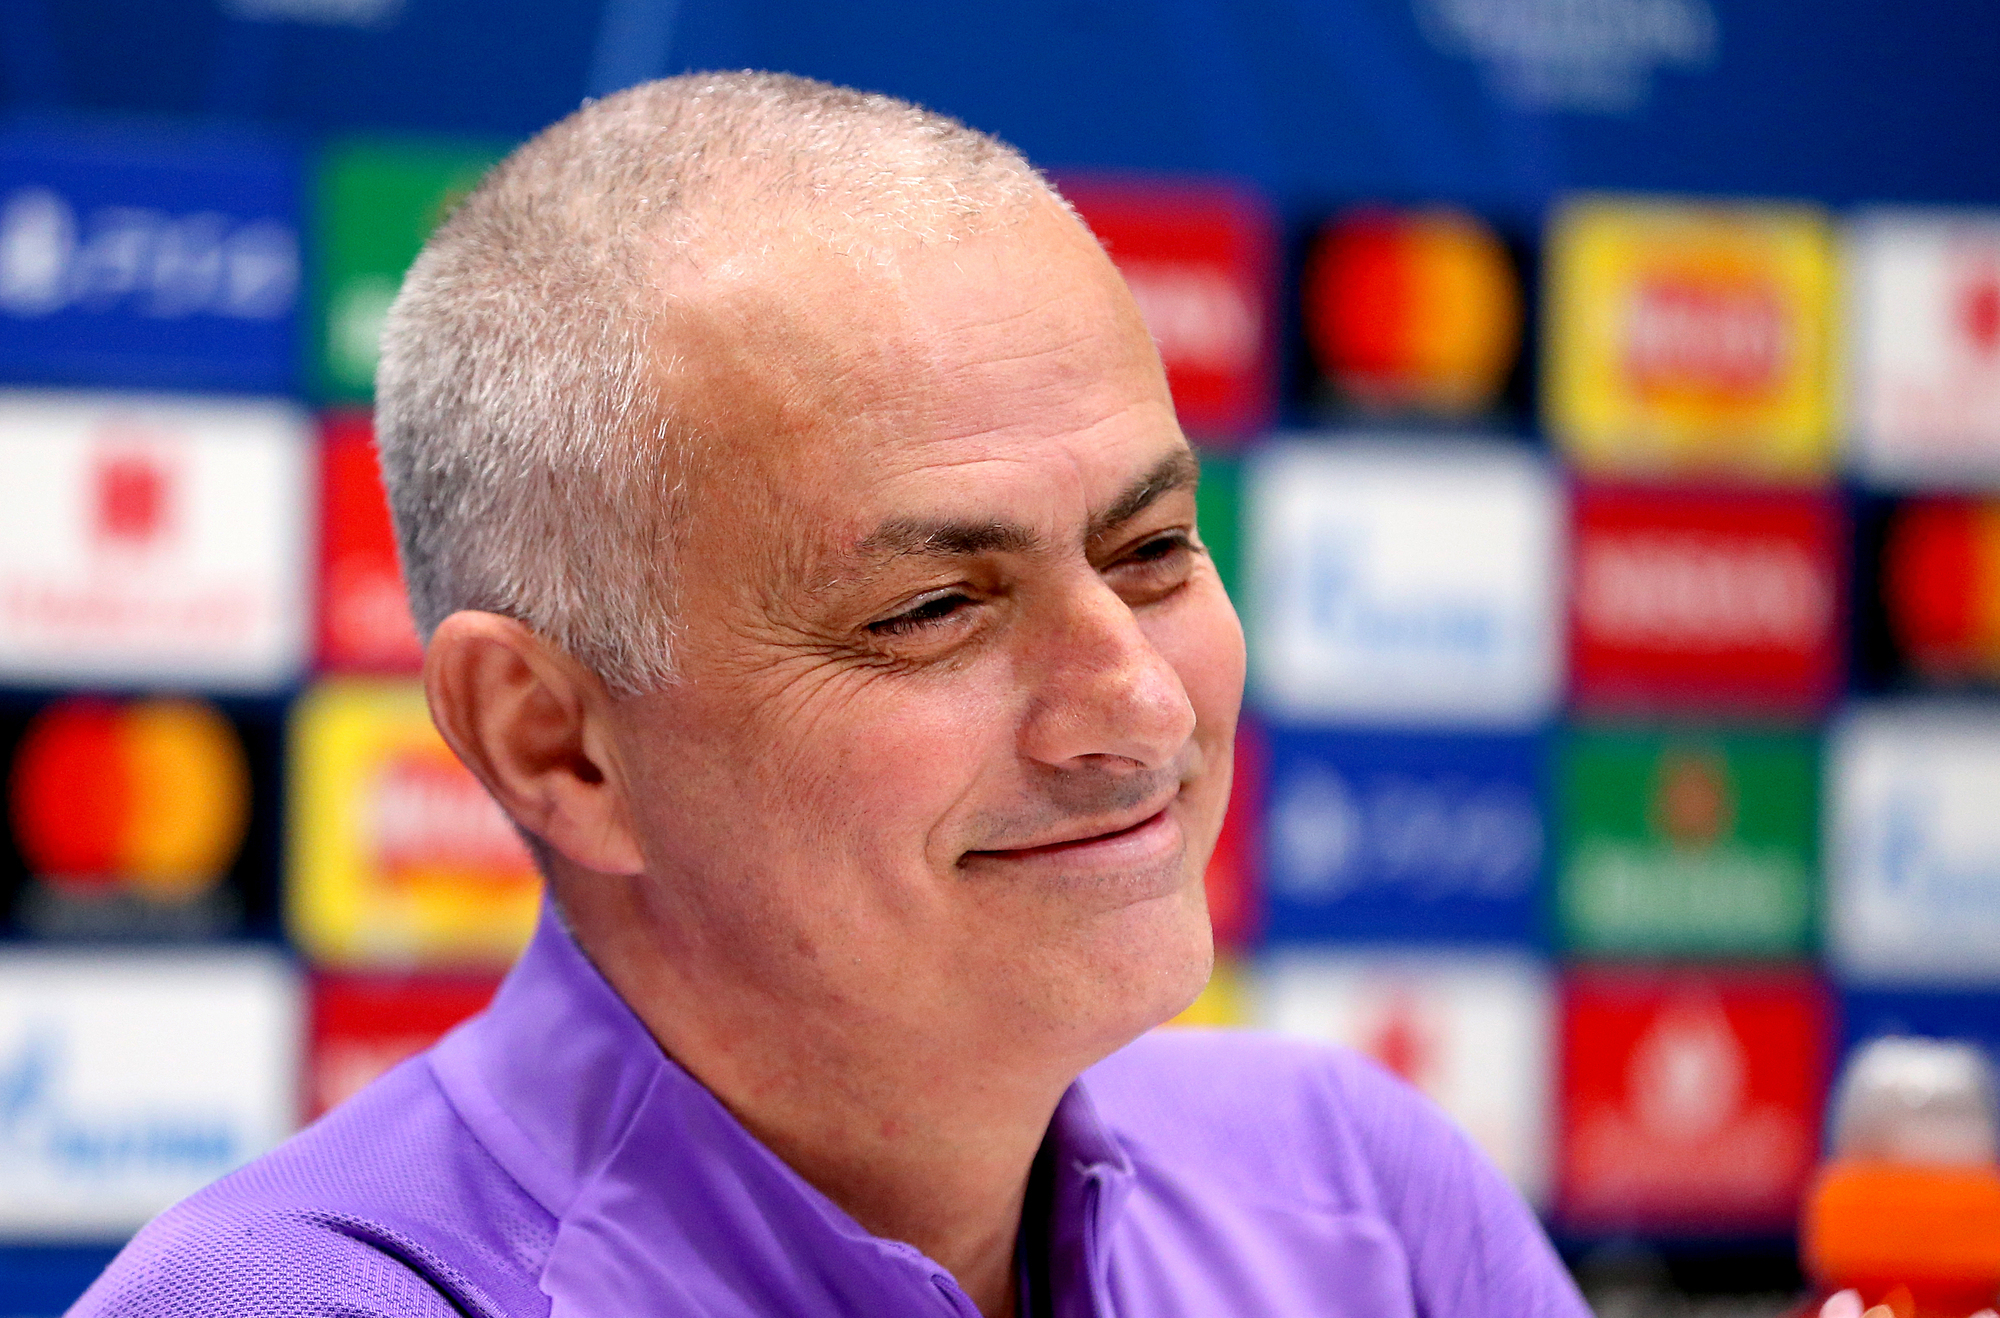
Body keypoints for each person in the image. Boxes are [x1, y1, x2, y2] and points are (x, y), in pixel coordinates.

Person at [72, 73, 1588, 1318]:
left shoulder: (1360, 1197)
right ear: (555, 743)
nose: (1140, 707)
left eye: (1152, 553)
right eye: (933, 611)